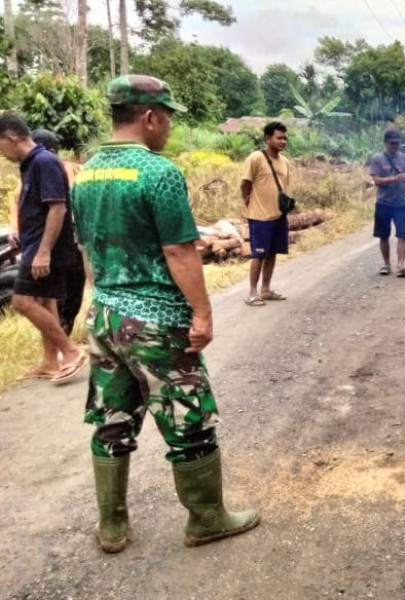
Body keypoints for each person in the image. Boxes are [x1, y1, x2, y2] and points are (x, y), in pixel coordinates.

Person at [71, 74, 260, 553]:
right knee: (188, 417)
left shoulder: (87, 173)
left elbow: (87, 253)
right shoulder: (159, 173)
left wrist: (107, 299)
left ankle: (111, 526)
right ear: (149, 117)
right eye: (168, 116)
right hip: (156, 322)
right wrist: (202, 314)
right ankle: (207, 517)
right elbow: (179, 252)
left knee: (113, 416)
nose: (170, 126)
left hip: (106, 317)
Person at [0, 113, 87, 383]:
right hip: (36, 246)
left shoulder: (44, 162)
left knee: (22, 302)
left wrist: (44, 251)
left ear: (11, 139)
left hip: (45, 249)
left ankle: (71, 351)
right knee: (45, 301)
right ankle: (51, 362)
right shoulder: (30, 164)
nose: (1, 153)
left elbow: (57, 207)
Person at [30, 129, 88, 336]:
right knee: (66, 295)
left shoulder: (48, 170)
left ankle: (63, 340)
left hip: (65, 244)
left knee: (65, 295)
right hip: (69, 243)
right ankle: (62, 340)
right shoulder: (72, 171)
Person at [240, 121, 293, 307]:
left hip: (279, 216)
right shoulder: (256, 158)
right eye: (279, 137)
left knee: (272, 254)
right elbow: (245, 183)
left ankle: (266, 289)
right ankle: (252, 293)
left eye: (285, 138)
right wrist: (249, 202)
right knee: (259, 254)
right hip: (260, 217)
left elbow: (285, 189)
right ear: (267, 138)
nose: (283, 141)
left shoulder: (285, 162)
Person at [369, 129, 405, 277]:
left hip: (401, 202)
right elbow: (376, 180)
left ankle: (401, 265)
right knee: (383, 235)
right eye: (392, 143)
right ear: (386, 143)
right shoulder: (377, 159)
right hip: (384, 202)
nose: (394, 146)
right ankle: (386, 265)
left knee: (402, 235)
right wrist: (394, 178)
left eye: (397, 143)